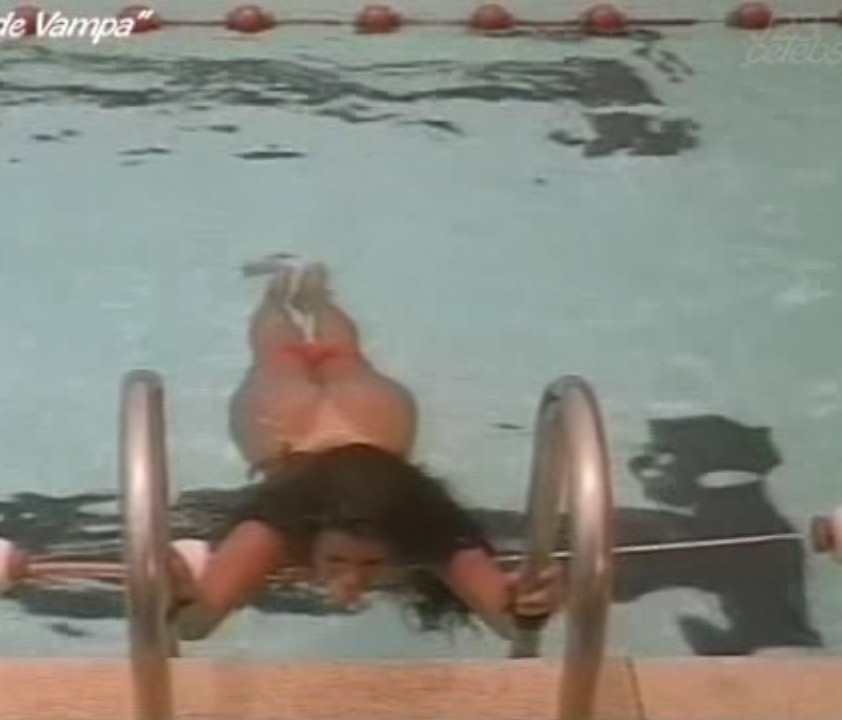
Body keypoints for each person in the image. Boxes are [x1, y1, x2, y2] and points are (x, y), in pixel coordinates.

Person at [168, 262, 563, 641]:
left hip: (361, 418)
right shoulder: (274, 528)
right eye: (336, 560)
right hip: (297, 420)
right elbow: (196, 624)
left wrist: (531, 606)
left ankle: (292, 294)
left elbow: (508, 620)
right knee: (315, 353)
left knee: (296, 353)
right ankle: (301, 295)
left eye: (372, 563)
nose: (352, 581)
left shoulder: (425, 525)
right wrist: (181, 597)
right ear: (309, 533)